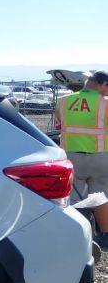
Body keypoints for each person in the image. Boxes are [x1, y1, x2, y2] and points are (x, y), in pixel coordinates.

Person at [56, 70, 108, 248]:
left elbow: (60, 123)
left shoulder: (63, 101)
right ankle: (105, 236)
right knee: (101, 196)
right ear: (102, 84)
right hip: (100, 156)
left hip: (71, 156)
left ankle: (78, 234)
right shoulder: (105, 103)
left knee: (74, 198)